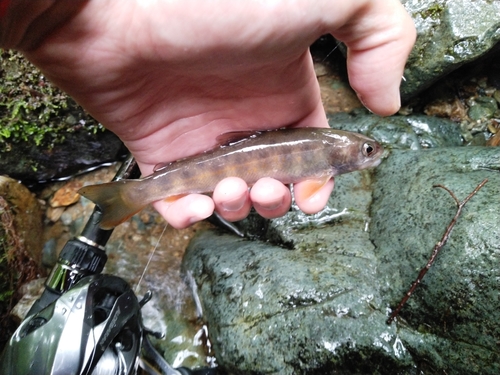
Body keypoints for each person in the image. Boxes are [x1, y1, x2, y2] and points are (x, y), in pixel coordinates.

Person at [0, 0, 416, 229]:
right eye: (366, 150)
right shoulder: (326, 157)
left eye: (368, 150)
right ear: (343, 154)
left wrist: (51, 15)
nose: (369, 154)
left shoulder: (327, 152)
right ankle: (134, 193)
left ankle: (137, 192)